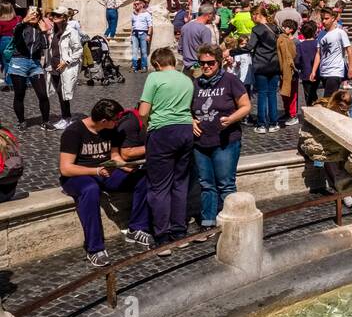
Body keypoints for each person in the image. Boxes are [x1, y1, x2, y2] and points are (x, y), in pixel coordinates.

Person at [59, 97, 152, 266]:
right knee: (90, 189)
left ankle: (136, 228)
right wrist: (94, 171)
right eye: (115, 120)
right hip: (77, 175)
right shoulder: (74, 132)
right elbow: (65, 168)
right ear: (103, 121)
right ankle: (94, 248)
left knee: (142, 177)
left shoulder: (111, 130)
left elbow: (114, 155)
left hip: (104, 171)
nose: (118, 123)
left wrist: (124, 166)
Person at [139, 47, 196, 252]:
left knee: (159, 187)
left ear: (156, 64)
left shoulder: (154, 78)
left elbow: (144, 111)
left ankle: (162, 237)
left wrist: (144, 127)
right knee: (180, 184)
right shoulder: (186, 80)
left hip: (162, 132)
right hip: (185, 131)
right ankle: (180, 232)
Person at [191, 43, 251, 231]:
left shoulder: (230, 80)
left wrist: (232, 118)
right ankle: (208, 221)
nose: (206, 66)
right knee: (206, 183)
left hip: (226, 140)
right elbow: (187, 109)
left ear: (219, 62)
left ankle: (231, 221)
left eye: (210, 63)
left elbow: (246, 106)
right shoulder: (196, 83)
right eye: (202, 63)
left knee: (225, 183)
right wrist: (191, 121)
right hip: (201, 143)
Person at [9, 7, 51, 129]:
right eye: (32, 14)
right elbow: (15, 31)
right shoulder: (21, 27)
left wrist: (44, 32)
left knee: (43, 95)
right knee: (20, 94)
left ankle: (46, 121)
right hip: (19, 62)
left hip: (35, 64)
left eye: (37, 15)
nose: (34, 16)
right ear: (26, 15)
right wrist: (23, 21)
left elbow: (45, 46)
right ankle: (21, 121)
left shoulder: (39, 29)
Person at [47, 9, 83, 130]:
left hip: (65, 68)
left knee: (63, 93)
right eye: (53, 14)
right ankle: (66, 117)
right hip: (54, 67)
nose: (54, 17)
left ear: (64, 17)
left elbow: (78, 50)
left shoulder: (71, 32)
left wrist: (67, 62)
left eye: (57, 15)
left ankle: (66, 118)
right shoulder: (52, 31)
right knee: (59, 93)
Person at [249, 7, 281, 132]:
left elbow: (250, 46)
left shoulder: (256, 29)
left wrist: (233, 51)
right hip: (274, 64)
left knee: (262, 94)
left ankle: (262, 124)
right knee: (272, 94)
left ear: (258, 15)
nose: (252, 17)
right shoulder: (275, 28)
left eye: (253, 15)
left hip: (261, 65)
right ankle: (274, 123)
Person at [312, 8, 352, 98]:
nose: (323, 21)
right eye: (322, 18)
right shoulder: (321, 34)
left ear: (333, 18)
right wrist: (314, 71)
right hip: (324, 71)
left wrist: (351, 68)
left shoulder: (340, 33)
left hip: (335, 71)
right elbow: (318, 53)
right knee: (331, 99)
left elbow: (349, 50)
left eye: (326, 18)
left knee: (328, 99)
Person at [178, 7, 216, 76]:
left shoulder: (185, 27)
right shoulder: (205, 30)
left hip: (186, 66)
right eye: (213, 16)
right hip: (198, 67)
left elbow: (180, 48)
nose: (214, 18)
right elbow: (207, 51)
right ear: (209, 15)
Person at [277, 19, 299, 124]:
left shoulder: (295, 41)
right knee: (284, 93)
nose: (283, 28)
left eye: (285, 27)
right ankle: (287, 112)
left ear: (290, 30)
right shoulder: (281, 39)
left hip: (292, 71)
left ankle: (293, 114)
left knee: (292, 94)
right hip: (283, 71)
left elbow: (296, 57)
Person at [130, 0, 153, 72]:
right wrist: (131, 35)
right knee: (134, 51)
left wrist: (148, 35)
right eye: (135, 4)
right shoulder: (133, 14)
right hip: (134, 34)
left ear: (141, 5)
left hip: (143, 33)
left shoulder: (147, 14)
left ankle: (144, 67)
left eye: (137, 4)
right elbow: (132, 26)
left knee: (143, 51)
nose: (135, 5)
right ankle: (134, 66)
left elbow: (150, 26)